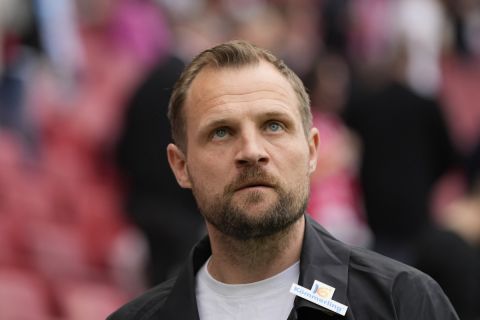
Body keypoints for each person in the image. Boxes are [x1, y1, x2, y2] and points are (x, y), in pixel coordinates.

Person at [107, 40, 458, 320]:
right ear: (180, 166)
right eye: (221, 132)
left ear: (312, 151)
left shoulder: (403, 303)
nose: (251, 151)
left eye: (274, 125)